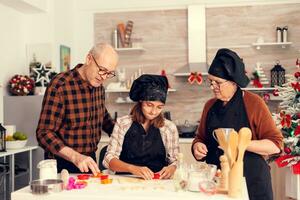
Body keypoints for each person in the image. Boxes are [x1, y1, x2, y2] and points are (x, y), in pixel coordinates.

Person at [192, 48, 283, 200]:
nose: (212, 87)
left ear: (234, 83)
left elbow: (275, 145)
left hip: (252, 181)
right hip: (218, 182)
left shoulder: (254, 103)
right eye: (211, 82)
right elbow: (200, 138)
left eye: (218, 83)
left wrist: (238, 143)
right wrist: (197, 147)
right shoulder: (209, 105)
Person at [36, 43, 118, 175]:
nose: (103, 77)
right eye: (102, 70)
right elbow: (44, 133)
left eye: (109, 73)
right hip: (62, 162)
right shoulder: (60, 85)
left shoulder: (98, 87)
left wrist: (127, 132)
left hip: (89, 161)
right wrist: (75, 157)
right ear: (89, 59)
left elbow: (103, 118)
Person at [103, 74, 179, 180]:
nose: (153, 111)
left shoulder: (169, 128)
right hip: (126, 180)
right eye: (149, 105)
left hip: (157, 182)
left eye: (159, 107)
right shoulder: (123, 123)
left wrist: (173, 168)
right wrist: (132, 169)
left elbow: (175, 160)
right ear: (140, 101)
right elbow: (109, 159)